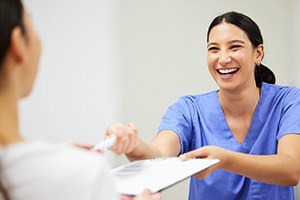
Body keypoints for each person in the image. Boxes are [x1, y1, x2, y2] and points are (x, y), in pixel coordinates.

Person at [105, 11, 300, 199]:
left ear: (258, 54)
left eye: (234, 47)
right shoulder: (189, 110)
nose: (223, 59)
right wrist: (133, 145)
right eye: (214, 49)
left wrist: (224, 159)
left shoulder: (289, 102)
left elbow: (291, 170)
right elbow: (157, 157)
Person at [0, 0, 161, 200]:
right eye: (31, 25)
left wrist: (55, 154)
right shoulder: (83, 174)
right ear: (18, 44)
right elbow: (163, 154)